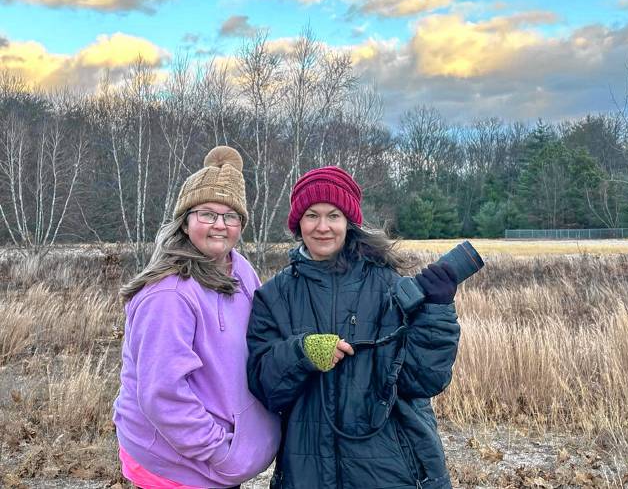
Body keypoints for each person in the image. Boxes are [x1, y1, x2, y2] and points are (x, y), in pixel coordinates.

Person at [246, 166, 461, 489]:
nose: (322, 227)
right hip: (307, 473)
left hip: (391, 471)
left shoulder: (390, 286)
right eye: (311, 215)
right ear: (297, 223)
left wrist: (438, 312)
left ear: (349, 221)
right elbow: (264, 387)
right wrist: (302, 353)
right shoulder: (274, 296)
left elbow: (424, 380)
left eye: (333, 215)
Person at [113, 146, 280, 489]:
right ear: (185, 222)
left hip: (213, 461)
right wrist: (218, 450)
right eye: (207, 214)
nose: (220, 225)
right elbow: (163, 394)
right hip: (175, 464)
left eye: (230, 216)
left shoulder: (240, 269)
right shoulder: (169, 295)